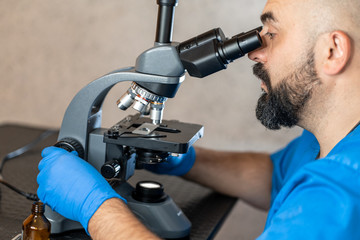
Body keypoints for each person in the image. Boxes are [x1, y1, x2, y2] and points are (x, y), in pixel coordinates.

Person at [37, 0, 360, 239]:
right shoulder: (331, 143)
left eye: (272, 34)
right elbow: (273, 177)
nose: (253, 52)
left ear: (332, 51)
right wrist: (187, 161)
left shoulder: (337, 197)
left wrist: (96, 207)